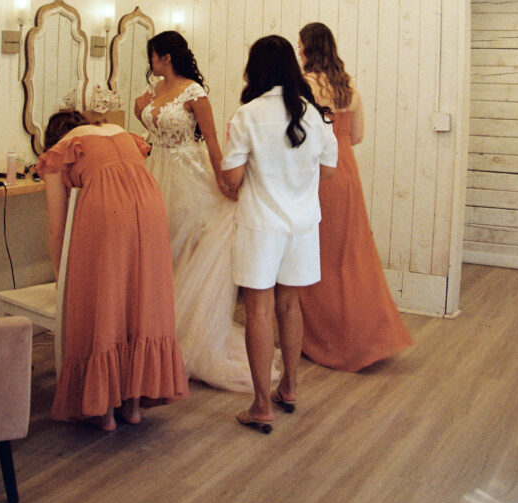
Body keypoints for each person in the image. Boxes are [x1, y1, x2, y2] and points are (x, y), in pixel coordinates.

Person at [134, 30, 271, 393]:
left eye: (153, 56)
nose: (150, 63)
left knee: (183, 246)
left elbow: (211, 142)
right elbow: (142, 110)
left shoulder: (195, 92)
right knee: (156, 247)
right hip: (156, 170)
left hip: (188, 175)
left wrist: (226, 185)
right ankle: (157, 333)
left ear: (165, 57)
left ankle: (183, 334)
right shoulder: (155, 91)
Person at [35, 109, 188, 431]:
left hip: (108, 210)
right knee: (139, 299)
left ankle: (104, 409)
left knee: (106, 299)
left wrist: (62, 278)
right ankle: (132, 406)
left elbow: (56, 227)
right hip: (150, 205)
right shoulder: (118, 132)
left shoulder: (59, 150)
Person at [221, 35, 338, 432]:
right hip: (303, 224)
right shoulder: (317, 116)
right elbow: (328, 170)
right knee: (290, 305)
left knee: (259, 310)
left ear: (255, 69)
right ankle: (288, 386)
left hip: (260, 224)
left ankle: (259, 405)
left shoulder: (247, 115)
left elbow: (233, 180)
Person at [297, 22, 412, 371]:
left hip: (318, 174)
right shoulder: (349, 88)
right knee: (351, 256)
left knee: (317, 256)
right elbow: (357, 136)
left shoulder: (306, 85)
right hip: (347, 173)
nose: (299, 51)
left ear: (309, 49)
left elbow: (300, 134)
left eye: (301, 46)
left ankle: (326, 338)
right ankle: (366, 334)